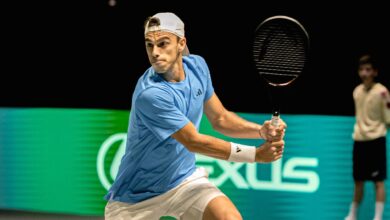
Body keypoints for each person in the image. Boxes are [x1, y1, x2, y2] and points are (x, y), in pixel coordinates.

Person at [104, 12, 286, 220]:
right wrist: (255, 155)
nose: (155, 52)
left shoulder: (197, 67)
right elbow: (193, 141)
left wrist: (260, 131)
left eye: (163, 43)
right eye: (149, 45)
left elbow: (220, 119)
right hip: (135, 200)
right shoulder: (151, 94)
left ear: (181, 43)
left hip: (183, 182)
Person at [345, 54, 390, 220]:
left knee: (378, 182)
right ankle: (352, 215)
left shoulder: (383, 92)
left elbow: (389, 118)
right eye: (362, 70)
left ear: (375, 72)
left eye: (368, 70)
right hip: (359, 141)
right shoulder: (356, 92)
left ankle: (378, 218)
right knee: (358, 181)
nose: (365, 73)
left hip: (376, 140)